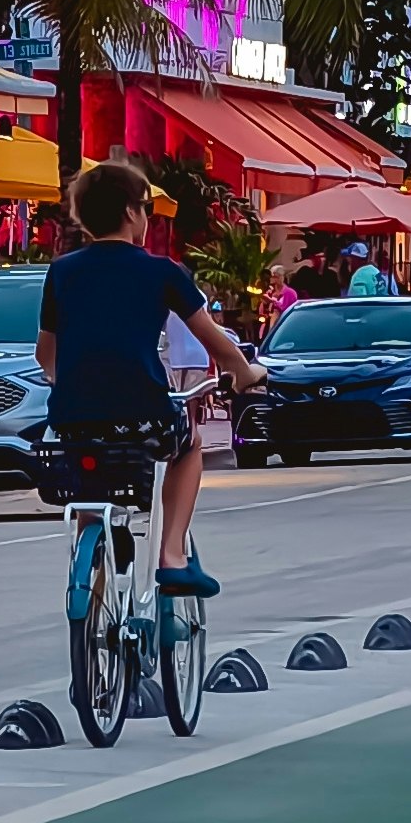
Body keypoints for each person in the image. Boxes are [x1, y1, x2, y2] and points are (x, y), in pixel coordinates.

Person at [36, 159, 261, 594]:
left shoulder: (62, 272)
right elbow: (216, 343)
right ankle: (172, 555)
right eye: (147, 208)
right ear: (130, 212)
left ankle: (93, 580)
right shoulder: (163, 272)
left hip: (74, 418)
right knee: (190, 443)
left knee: (91, 482)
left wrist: (71, 383)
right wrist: (245, 371)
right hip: (145, 416)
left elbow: (47, 354)